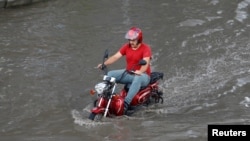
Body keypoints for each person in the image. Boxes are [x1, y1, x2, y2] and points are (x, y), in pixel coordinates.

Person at [97, 27, 152, 114]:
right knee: (110, 74)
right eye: (130, 40)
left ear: (139, 39)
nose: (131, 42)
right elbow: (115, 57)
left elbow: (145, 64)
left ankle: (126, 103)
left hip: (143, 76)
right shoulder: (127, 47)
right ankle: (109, 98)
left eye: (133, 40)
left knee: (137, 78)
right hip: (129, 73)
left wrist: (140, 71)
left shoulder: (146, 48)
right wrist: (104, 64)